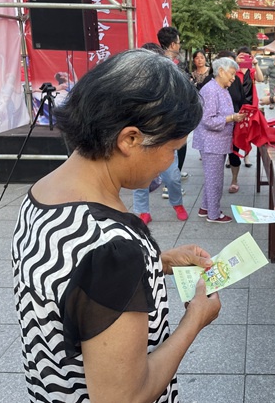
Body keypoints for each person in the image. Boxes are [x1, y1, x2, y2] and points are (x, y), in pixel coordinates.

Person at [11, 49, 221, 403]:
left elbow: (76, 283)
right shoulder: (112, 247)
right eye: (173, 149)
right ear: (130, 139)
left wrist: (160, 261)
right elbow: (124, 397)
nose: (171, 162)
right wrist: (196, 319)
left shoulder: (44, 192)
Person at [132, 42, 188, 223]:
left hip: (165, 137)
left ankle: (177, 203)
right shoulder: (133, 81)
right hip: (141, 138)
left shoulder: (170, 80)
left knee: (172, 177)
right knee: (140, 178)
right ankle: (142, 211)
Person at [193, 57, 246, 223]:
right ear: (221, 71)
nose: (233, 78)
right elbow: (208, 120)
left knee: (212, 177)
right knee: (215, 180)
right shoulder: (211, 90)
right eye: (231, 74)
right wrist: (232, 118)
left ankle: (205, 207)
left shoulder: (221, 88)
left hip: (218, 141)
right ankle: (213, 214)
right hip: (212, 141)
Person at [157, 27, 189, 177]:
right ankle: (170, 182)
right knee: (175, 149)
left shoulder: (155, 62)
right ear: (172, 45)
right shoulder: (170, 66)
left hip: (161, 117)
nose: (179, 45)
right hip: (171, 117)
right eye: (178, 42)